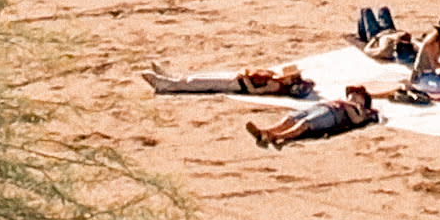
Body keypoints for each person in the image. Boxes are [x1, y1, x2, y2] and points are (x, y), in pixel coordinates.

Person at [250, 85, 380, 149]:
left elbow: (357, 120)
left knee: (305, 123)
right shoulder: (347, 102)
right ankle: (266, 132)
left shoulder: (356, 107)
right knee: (291, 119)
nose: (352, 94)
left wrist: (360, 110)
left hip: (332, 113)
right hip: (323, 107)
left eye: (356, 93)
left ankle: (277, 136)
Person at [146, 66, 312, 96]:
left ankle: (167, 85)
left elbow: (254, 91)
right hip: (236, 77)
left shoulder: (274, 85)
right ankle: (172, 78)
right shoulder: (273, 76)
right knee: (201, 78)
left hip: (235, 84)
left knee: (198, 83)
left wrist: (244, 80)